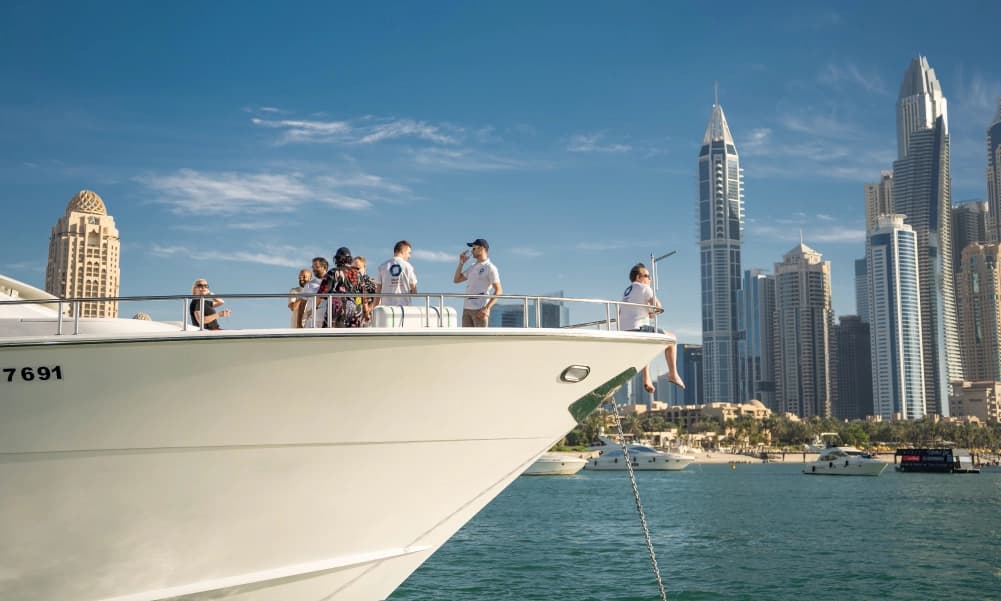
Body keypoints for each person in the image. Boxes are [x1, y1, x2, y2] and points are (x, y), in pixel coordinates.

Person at [618, 262, 684, 393]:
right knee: (672, 339)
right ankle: (673, 373)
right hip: (638, 328)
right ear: (638, 277)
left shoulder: (627, 291)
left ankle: (646, 379)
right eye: (647, 276)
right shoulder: (644, 288)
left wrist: (650, 313)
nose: (650, 279)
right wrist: (654, 311)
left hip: (625, 330)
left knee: (646, 347)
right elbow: (658, 306)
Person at [453, 238, 502, 327]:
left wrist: (486, 308)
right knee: (466, 340)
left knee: (480, 340)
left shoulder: (490, 268)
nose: (472, 251)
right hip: (467, 309)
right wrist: (461, 263)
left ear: (482, 249)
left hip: (480, 309)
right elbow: (456, 280)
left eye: (474, 248)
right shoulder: (472, 267)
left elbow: (498, 291)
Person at [317, 247, 367, 328]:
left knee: (331, 337)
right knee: (352, 337)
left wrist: (312, 310)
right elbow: (364, 296)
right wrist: (366, 312)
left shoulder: (333, 272)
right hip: (354, 310)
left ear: (337, 259)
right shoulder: (358, 273)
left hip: (336, 310)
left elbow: (321, 294)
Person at [375, 240, 418, 307]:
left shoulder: (382, 267)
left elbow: (378, 291)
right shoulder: (408, 266)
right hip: (404, 308)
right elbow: (414, 291)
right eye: (409, 253)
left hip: (387, 309)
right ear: (402, 251)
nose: (409, 256)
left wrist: (375, 309)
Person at [302, 257, 328, 328]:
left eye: (316, 267)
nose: (313, 269)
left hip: (328, 322)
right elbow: (302, 304)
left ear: (324, 267)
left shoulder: (333, 282)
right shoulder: (309, 285)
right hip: (311, 322)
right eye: (312, 267)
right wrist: (298, 323)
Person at [352, 256, 378, 326]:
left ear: (364, 267)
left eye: (358, 268)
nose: (355, 270)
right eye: (353, 268)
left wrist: (367, 311)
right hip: (353, 319)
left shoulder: (371, 282)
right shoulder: (350, 283)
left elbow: (378, 299)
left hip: (368, 320)